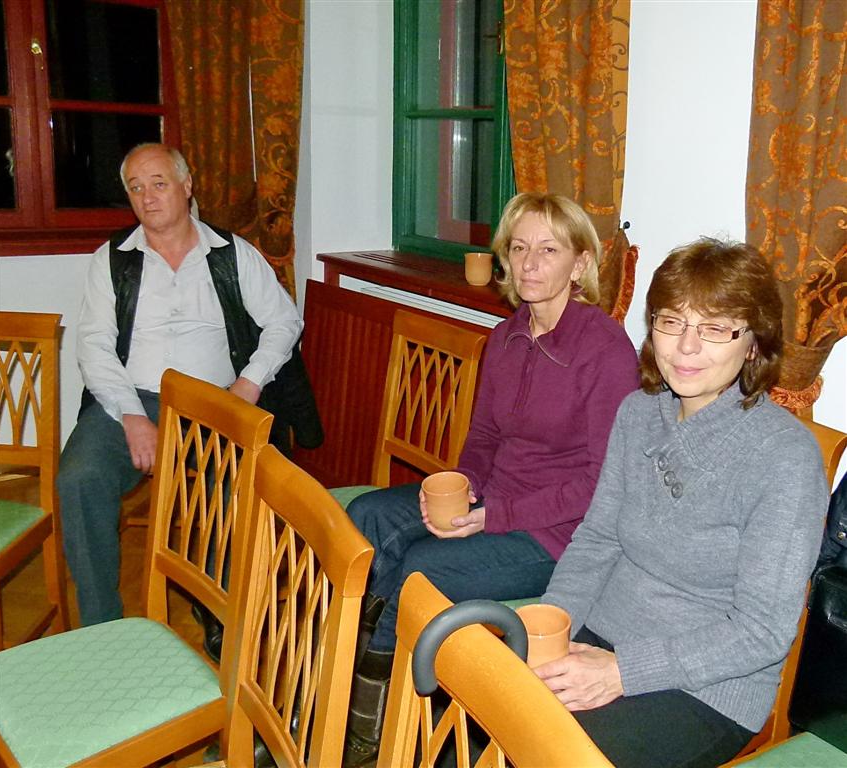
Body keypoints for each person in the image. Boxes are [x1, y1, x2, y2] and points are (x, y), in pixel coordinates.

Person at [344, 192, 640, 763]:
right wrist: (464, 489)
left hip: (557, 534)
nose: (529, 263)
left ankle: (368, 725)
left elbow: (602, 485)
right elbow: (481, 438)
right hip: (495, 501)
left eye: (548, 250)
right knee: (367, 515)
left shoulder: (604, 350)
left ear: (579, 263)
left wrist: (493, 517)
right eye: (518, 248)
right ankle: (352, 659)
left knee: (422, 569)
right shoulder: (505, 336)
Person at [537, 238, 830, 768]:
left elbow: (761, 632)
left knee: (551, 755)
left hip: (707, 687)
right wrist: (552, 626)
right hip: (601, 632)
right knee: (479, 718)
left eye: (715, 328)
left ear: (753, 345)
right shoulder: (638, 412)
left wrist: (621, 671)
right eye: (672, 322)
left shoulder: (785, 457)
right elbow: (597, 540)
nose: (686, 347)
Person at [57, 143, 304, 632]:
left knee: (232, 483)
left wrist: (249, 384)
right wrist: (131, 415)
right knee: (79, 477)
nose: (147, 197)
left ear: (187, 186)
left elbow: (284, 321)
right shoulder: (113, 260)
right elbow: (94, 346)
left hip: (215, 400)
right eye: (136, 188)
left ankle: (216, 611)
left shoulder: (232, 255)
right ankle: (100, 626)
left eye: (159, 183)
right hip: (130, 399)